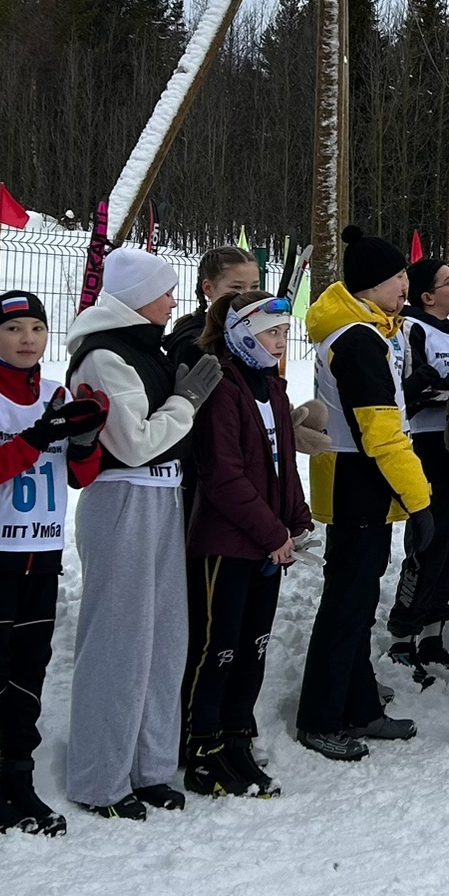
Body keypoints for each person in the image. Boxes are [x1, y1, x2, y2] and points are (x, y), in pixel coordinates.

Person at [64, 248, 218, 818]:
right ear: (135, 296)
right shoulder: (103, 356)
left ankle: (149, 766)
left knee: (163, 637)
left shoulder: (141, 350)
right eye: (165, 290)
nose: (175, 301)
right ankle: (99, 776)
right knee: (118, 641)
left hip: (162, 495)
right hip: (124, 497)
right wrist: (187, 401)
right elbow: (132, 444)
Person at [0, 291, 105, 833]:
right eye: (14, 329)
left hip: (42, 549)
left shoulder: (57, 393)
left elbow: (80, 476)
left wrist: (83, 441)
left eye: (37, 328)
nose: (27, 339)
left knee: (28, 672)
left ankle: (18, 773)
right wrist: (38, 436)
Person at [298, 226, 432, 749]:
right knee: (347, 603)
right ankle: (322, 717)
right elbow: (380, 433)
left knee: (356, 598)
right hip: (360, 481)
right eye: (397, 276)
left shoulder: (369, 332)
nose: (405, 283)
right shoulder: (357, 339)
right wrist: (419, 501)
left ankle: (357, 704)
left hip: (358, 480)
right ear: (371, 284)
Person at [182, 291, 311, 797]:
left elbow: (283, 463)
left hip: (266, 544)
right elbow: (223, 477)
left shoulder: (272, 389)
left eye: (283, 335)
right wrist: (272, 532)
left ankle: (236, 736)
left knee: (253, 647)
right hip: (226, 542)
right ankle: (202, 746)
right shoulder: (223, 386)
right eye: (270, 334)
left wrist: (295, 520)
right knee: (219, 648)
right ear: (240, 333)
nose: (280, 344)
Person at [389, 257, 449, 672]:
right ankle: (404, 631)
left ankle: (433, 632)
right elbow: (410, 388)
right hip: (426, 443)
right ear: (427, 296)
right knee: (428, 537)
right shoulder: (412, 328)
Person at [166, 245, 261, 368]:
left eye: (254, 287)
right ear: (208, 288)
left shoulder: (261, 335)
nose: (248, 295)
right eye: (237, 287)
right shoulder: (192, 343)